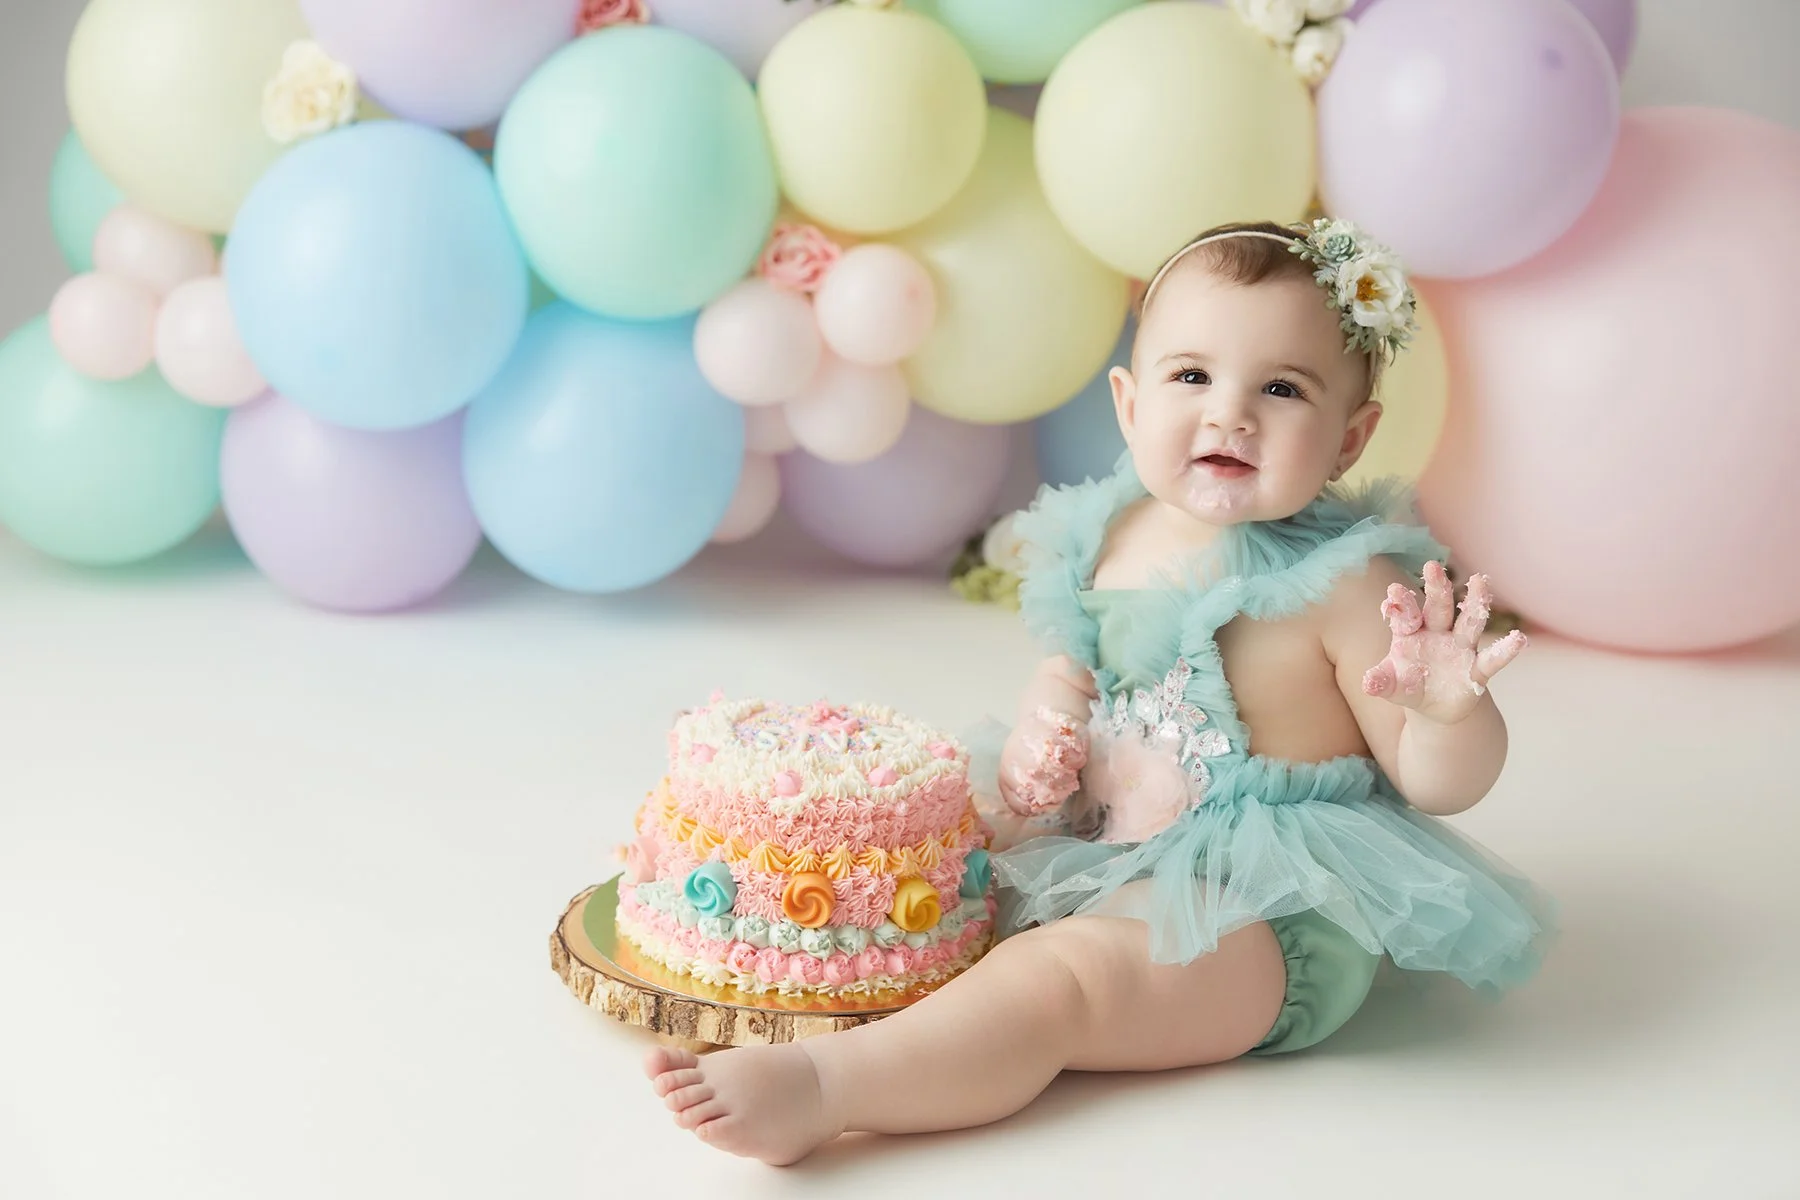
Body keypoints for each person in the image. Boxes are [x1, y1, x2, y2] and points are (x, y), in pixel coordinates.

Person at [643, 218, 1553, 1165]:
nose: (1229, 414)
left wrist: (1448, 714)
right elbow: (1076, 665)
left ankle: (830, 1087)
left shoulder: (1349, 585)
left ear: (1348, 437)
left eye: (1281, 389)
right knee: (928, 856)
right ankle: (797, 975)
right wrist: (1051, 721)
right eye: (1192, 376)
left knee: (1065, 984)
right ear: (1129, 404)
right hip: (1098, 839)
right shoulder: (1113, 531)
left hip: (1261, 909)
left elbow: (1431, 780)